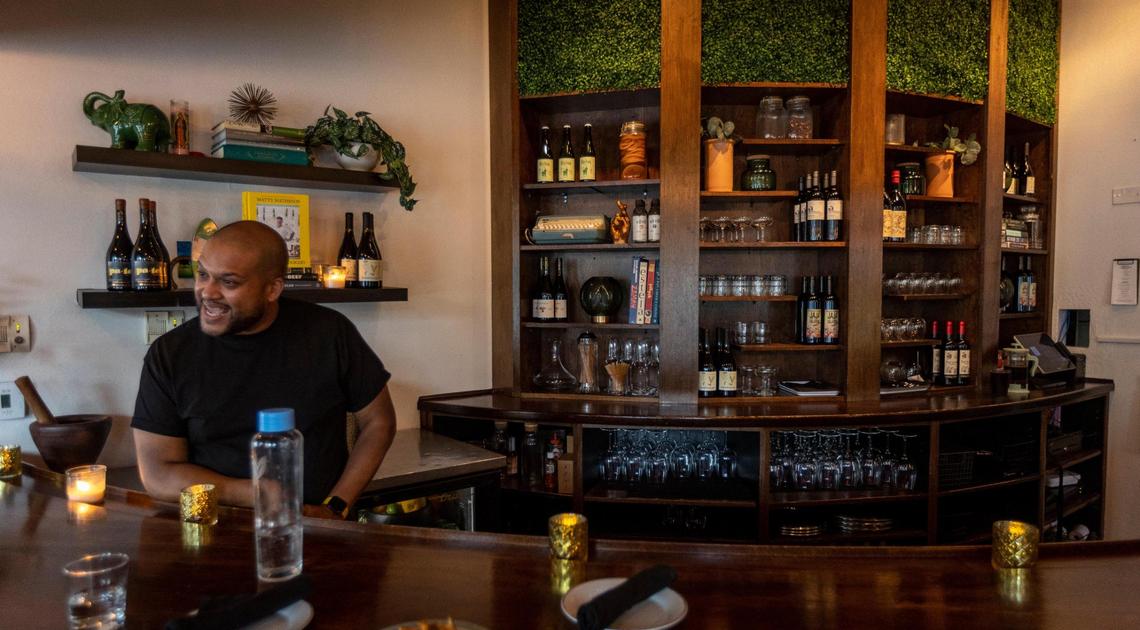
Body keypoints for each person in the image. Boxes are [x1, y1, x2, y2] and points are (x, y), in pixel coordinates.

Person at [131, 220, 396, 519]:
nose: (208, 292)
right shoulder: (169, 354)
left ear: (272, 289)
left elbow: (378, 421)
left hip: (318, 525)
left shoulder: (328, 332)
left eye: (228, 282)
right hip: (215, 525)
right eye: (203, 274)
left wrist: (337, 506)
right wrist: (256, 492)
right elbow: (157, 473)